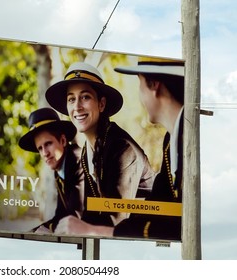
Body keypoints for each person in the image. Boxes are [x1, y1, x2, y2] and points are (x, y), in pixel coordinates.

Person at [45, 62, 155, 236]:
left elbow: (115, 218)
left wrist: (77, 227)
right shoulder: (87, 152)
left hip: (145, 237)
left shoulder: (122, 148)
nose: (77, 107)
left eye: (85, 97)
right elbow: (89, 211)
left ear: (101, 104)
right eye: (71, 99)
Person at [111, 58, 185, 240]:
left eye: (140, 84)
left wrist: (104, 231)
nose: (139, 95)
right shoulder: (171, 140)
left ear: (154, 85)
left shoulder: (193, 136)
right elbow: (160, 204)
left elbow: (176, 223)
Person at [19, 107, 84, 233]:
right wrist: (33, 232)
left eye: (48, 144)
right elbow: (61, 216)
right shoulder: (60, 169)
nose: (45, 153)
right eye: (40, 148)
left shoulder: (78, 162)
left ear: (63, 140)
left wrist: (49, 230)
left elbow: (77, 217)